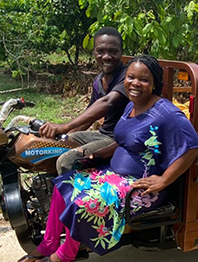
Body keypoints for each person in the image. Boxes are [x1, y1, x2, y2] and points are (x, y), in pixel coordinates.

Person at [14, 55, 198, 262]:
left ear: (154, 84)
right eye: (131, 77)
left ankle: (68, 252)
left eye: (144, 80)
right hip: (112, 174)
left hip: (139, 186)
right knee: (61, 186)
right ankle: (49, 243)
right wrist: (101, 154)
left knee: (83, 202)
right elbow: (123, 141)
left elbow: (192, 146)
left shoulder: (166, 113)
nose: (135, 84)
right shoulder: (130, 106)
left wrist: (164, 180)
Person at [39, 27, 130, 174]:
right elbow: (88, 117)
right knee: (53, 147)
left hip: (118, 140)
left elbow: (108, 102)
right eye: (100, 51)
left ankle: (76, 196)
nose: (106, 56)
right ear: (94, 52)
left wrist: (63, 127)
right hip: (102, 134)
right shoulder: (98, 80)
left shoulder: (127, 77)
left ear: (121, 52)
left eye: (113, 51)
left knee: (66, 162)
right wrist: (64, 137)